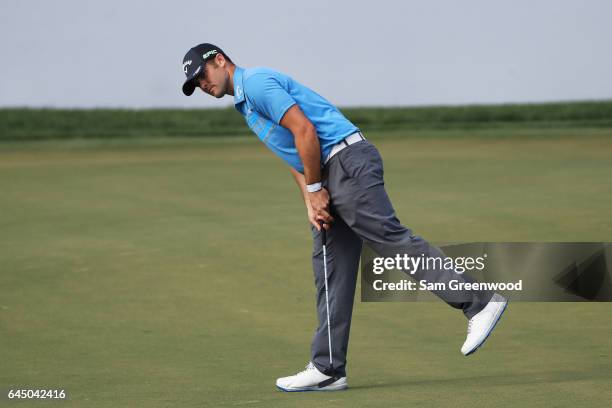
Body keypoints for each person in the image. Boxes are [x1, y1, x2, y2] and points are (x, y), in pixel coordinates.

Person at [181, 43, 508, 392]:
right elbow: (291, 150)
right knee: (329, 268)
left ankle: (480, 302)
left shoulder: (257, 82)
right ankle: (328, 368)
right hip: (325, 174)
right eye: (195, 83)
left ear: (220, 60)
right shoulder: (244, 105)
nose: (201, 84)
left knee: (388, 239)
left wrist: (317, 186)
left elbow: (305, 130)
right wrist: (310, 197)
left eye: (201, 75)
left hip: (346, 161)